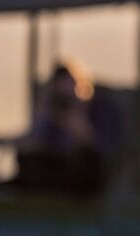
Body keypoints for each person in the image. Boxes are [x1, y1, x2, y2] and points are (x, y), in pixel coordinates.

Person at [17, 58, 113, 191]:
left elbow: (107, 150)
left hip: (87, 176)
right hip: (54, 175)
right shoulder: (53, 116)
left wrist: (81, 128)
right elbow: (36, 144)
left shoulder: (101, 110)